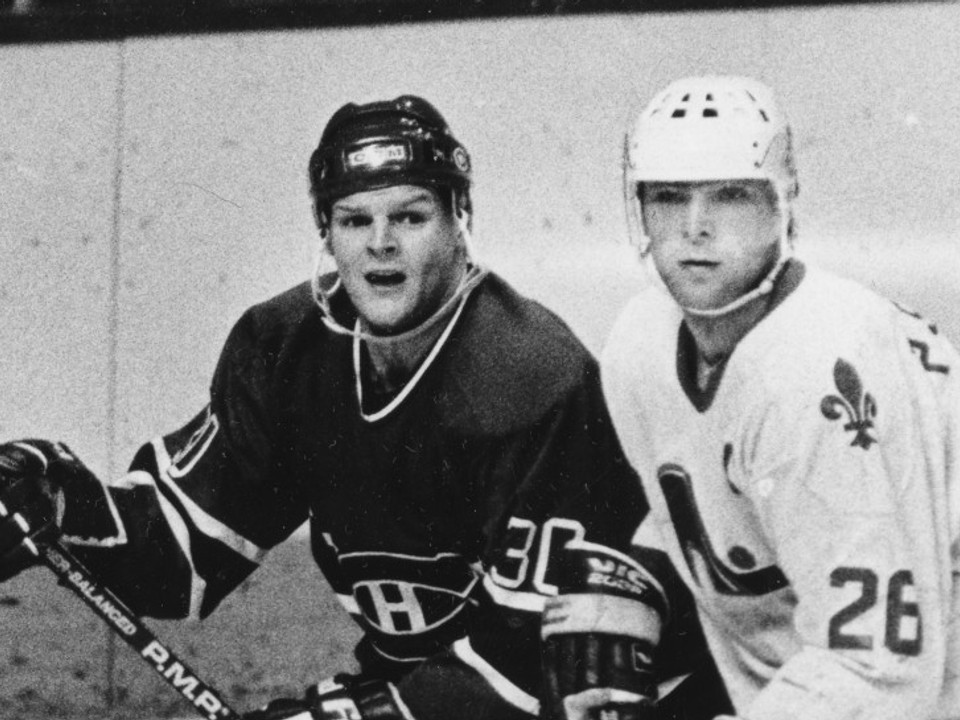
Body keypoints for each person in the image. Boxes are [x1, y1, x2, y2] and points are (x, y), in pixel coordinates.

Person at [0, 95, 724, 720]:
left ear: (460, 220)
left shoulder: (533, 378)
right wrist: (62, 505)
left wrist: (358, 712)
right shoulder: (285, 352)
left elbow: (539, 667)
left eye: (410, 216)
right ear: (326, 231)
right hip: (422, 696)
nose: (381, 244)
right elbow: (184, 552)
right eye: (354, 220)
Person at [579, 74, 960, 720]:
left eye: (730, 195)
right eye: (669, 196)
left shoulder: (822, 371)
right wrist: (637, 581)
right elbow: (714, 505)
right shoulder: (639, 343)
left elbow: (881, 671)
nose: (695, 228)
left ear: (782, 202)